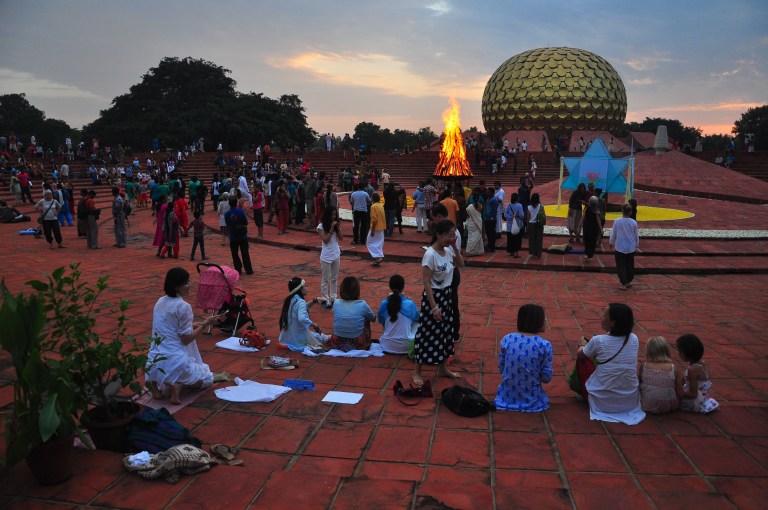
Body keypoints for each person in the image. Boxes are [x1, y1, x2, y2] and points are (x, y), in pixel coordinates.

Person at [146, 268, 221, 405]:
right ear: (175, 286)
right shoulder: (183, 306)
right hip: (176, 362)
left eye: (189, 281)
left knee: (159, 369)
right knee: (206, 380)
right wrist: (204, 324)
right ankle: (177, 386)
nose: (190, 285)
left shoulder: (160, 301)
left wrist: (191, 324)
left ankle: (155, 386)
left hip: (154, 360)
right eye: (186, 283)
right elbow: (186, 339)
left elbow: (167, 325)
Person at [413, 219, 465, 387]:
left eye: (453, 235)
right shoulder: (430, 255)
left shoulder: (449, 251)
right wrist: (434, 306)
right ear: (438, 234)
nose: (451, 239)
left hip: (447, 296)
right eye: (449, 236)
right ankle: (417, 371)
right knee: (426, 333)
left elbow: (461, 264)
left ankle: (443, 367)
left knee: (446, 332)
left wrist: (455, 247)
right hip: (433, 298)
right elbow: (426, 282)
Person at [576, 303, 645, 425]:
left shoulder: (598, 340)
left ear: (613, 322)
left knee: (583, 359)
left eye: (604, 316)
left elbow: (581, 355)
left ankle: (583, 393)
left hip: (602, 402)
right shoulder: (633, 338)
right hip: (629, 401)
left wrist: (582, 345)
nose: (601, 318)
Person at [495, 304, 553, 412]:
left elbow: (501, 368)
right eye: (544, 319)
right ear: (537, 322)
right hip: (532, 401)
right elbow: (546, 377)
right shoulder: (544, 345)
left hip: (505, 397)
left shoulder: (507, 339)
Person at [278, 277, 328, 351]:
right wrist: (316, 326)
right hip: (297, 339)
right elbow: (302, 318)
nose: (306, 288)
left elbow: (303, 307)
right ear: (300, 289)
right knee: (322, 339)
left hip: (287, 338)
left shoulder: (291, 299)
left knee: (321, 337)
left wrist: (315, 300)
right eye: (305, 286)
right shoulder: (300, 302)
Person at [329, 276, 376, 351]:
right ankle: (366, 342)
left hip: (337, 341)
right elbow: (373, 318)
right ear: (357, 291)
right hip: (357, 343)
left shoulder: (336, 303)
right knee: (366, 318)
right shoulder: (362, 304)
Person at [676, 334, 719, 413]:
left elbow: (693, 394)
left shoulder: (692, 370)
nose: (678, 354)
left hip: (696, 401)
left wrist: (681, 393)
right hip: (702, 396)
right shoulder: (701, 363)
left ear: (688, 352)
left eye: (680, 351)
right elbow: (683, 381)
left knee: (672, 400)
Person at [377, 274, 419, 355]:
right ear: (403, 287)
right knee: (416, 322)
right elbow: (418, 318)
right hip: (407, 346)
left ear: (390, 287)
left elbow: (381, 321)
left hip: (386, 345)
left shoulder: (384, 303)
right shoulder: (410, 304)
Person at [638, 336, 679, 414]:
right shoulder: (673, 368)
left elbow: (638, 382)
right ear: (666, 351)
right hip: (669, 406)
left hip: (646, 405)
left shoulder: (644, 366)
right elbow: (679, 392)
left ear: (648, 352)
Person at [317, 206, 343, 308]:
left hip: (336, 254)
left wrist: (338, 228)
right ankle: (325, 299)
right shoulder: (321, 226)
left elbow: (341, 238)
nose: (334, 216)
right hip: (326, 256)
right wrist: (332, 228)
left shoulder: (336, 225)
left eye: (335, 214)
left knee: (334, 278)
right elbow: (325, 240)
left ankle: (333, 297)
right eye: (332, 214)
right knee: (325, 279)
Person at [610, 203, 640, 290]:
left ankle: (623, 283)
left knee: (621, 265)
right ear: (630, 212)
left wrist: (611, 242)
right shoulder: (633, 222)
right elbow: (636, 235)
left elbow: (613, 233)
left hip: (620, 246)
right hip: (631, 247)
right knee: (630, 265)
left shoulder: (617, 221)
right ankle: (628, 281)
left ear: (622, 211)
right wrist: (636, 244)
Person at [224, 196, 253, 275]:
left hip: (233, 236)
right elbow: (246, 222)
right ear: (236, 203)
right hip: (243, 235)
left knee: (235, 254)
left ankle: (238, 269)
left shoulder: (227, 214)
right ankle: (249, 269)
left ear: (229, 204)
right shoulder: (241, 212)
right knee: (245, 253)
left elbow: (227, 224)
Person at [580, 195, 601, 262]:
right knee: (593, 241)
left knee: (587, 240)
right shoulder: (596, 210)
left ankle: (586, 254)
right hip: (593, 227)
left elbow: (583, 217)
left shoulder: (587, 208)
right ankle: (590, 256)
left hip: (586, 226)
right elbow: (598, 220)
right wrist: (601, 228)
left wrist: (579, 226)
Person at [367, 192, 386, 266]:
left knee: (369, 242)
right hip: (381, 226)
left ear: (373, 198)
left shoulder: (373, 206)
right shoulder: (381, 205)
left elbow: (374, 219)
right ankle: (377, 258)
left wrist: (372, 230)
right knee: (379, 243)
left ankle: (378, 258)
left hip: (376, 227)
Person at [504, 193, 524, 258]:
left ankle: (511, 252)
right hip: (517, 225)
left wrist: (510, 217)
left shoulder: (509, 205)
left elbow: (505, 214)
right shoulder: (519, 206)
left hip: (510, 225)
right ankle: (516, 253)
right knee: (517, 239)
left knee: (510, 239)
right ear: (517, 198)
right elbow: (522, 215)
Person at [526, 193, 545, 259]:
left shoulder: (529, 207)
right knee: (539, 240)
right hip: (539, 224)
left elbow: (528, 217)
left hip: (531, 224)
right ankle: (538, 254)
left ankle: (533, 254)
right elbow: (543, 216)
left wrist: (527, 225)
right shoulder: (541, 207)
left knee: (532, 240)